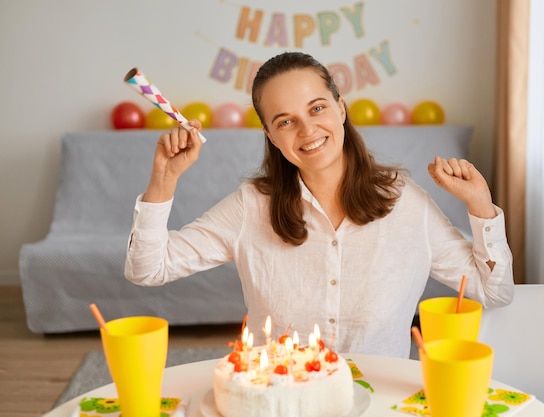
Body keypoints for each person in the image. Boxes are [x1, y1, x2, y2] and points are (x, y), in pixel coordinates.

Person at [125, 51, 514, 358]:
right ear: (270, 135)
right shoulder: (250, 208)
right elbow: (147, 270)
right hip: (281, 399)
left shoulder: (406, 204)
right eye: (285, 121)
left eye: (316, 108)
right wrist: (164, 179)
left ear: (340, 108)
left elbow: (495, 292)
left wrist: (481, 205)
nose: (308, 130)